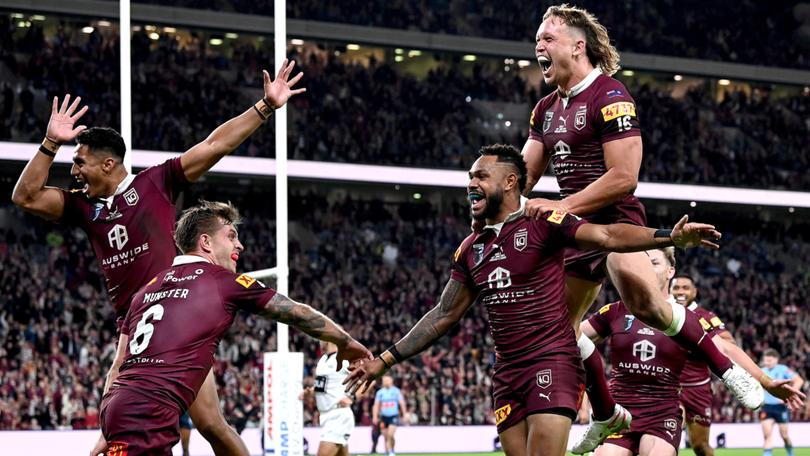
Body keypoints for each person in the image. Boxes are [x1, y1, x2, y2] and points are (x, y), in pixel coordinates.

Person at [346, 144, 723, 456]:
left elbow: (606, 236)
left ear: (510, 182)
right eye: (469, 178)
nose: (471, 184)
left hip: (553, 361)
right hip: (507, 374)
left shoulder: (543, 222)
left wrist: (668, 237)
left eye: (480, 176)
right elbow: (443, 315)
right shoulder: (471, 249)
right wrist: (384, 360)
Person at [11, 59, 305, 456]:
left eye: (79, 161)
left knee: (206, 424)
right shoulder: (82, 207)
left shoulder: (156, 182)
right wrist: (50, 144)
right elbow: (25, 196)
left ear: (108, 164)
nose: (74, 169)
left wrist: (265, 107)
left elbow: (214, 145)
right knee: (204, 424)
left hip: (175, 320)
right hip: (133, 326)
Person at [520, 5, 761, 451]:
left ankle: (730, 373)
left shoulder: (610, 95)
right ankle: (608, 413)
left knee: (648, 304)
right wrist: (495, 189)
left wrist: (562, 207)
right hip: (571, 230)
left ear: (578, 45)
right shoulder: (544, 109)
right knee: (558, 332)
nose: (538, 45)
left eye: (547, 37)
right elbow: (524, 174)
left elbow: (624, 177)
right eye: (537, 39)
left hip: (613, 220)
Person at [100, 200, 372, 455]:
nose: (239, 245)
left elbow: (118, 366)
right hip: (147, 415)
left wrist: (106, 427)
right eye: (231, 236)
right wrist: (345, 342)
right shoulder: (221, 280)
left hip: (120, 406)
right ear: (205, 242)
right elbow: (298, 313)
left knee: (214, 425)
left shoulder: (145, 291)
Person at [581, 250, 804, 456]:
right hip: (621, 410)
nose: (647, 268)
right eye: (643, 263)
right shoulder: (615, 311)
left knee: (699, 446)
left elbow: (726, 348)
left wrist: (765, 381)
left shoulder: (686, 318)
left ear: (671, 271)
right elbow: (571, 337)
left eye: (655, 263)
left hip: (664, 410)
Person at [671, 275, 805, 456]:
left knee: (700, 447)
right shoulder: (661, 312)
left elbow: (728, 343)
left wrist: (700, 341)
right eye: (676, 287)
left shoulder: (705, 317)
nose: (680, 292)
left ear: (694, 292)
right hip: (669, 386)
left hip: (698, 389)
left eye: (685, 288)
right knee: (669, 437)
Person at [300, 340, 365, 456]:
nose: (319, 341)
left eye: (321, 338)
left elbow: (367, 378)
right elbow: (322, 386)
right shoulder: (322, 360)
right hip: (326, 416)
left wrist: (352, 398)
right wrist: (310, 392)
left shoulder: (344, 358)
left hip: (338, 415)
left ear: (328, 339)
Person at [760, 349, 804, 456]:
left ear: (776, 360)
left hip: (781, 407)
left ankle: (790, 452)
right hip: (766, 406)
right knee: (767, 434)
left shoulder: (783, 369)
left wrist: (788, 395)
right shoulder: (761, 371)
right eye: (766, 361)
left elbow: (799, 380)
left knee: (784, 435)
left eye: (770, 361)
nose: (767, 363)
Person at [373, 375, 408, 456]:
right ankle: (387, 452)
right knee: (385, 436)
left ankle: (391, 451)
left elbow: (402, 403)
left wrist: (404, 414)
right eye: (384, 380)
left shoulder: (396, 391)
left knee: (390, 434)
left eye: (387, 380)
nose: (385, 382)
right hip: (383, 417)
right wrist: (375, 416)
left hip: (393, 416)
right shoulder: (380, 392)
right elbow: (376, 405)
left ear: (391, 381)